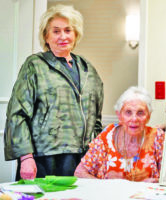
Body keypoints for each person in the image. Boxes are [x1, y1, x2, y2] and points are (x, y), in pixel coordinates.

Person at [4, 5, 104, 180]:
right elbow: (17, 115)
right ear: (46, 36)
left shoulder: (89, 69)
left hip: (82, 159)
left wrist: (97, 155)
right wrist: (26, 157)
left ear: (76, 34)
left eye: (68, 30)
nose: (63, 36)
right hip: (43, 157)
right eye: (56, 31)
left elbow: (96, 119)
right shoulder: (35, 65)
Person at [74, 86, 165, 183]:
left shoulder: (157, 137)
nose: (134, 119)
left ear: (148, 116)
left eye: (140, 113)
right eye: (128, 112)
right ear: (119, 115)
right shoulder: (106, 136)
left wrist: (155, 184)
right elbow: (80, 172)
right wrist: (105, 187)